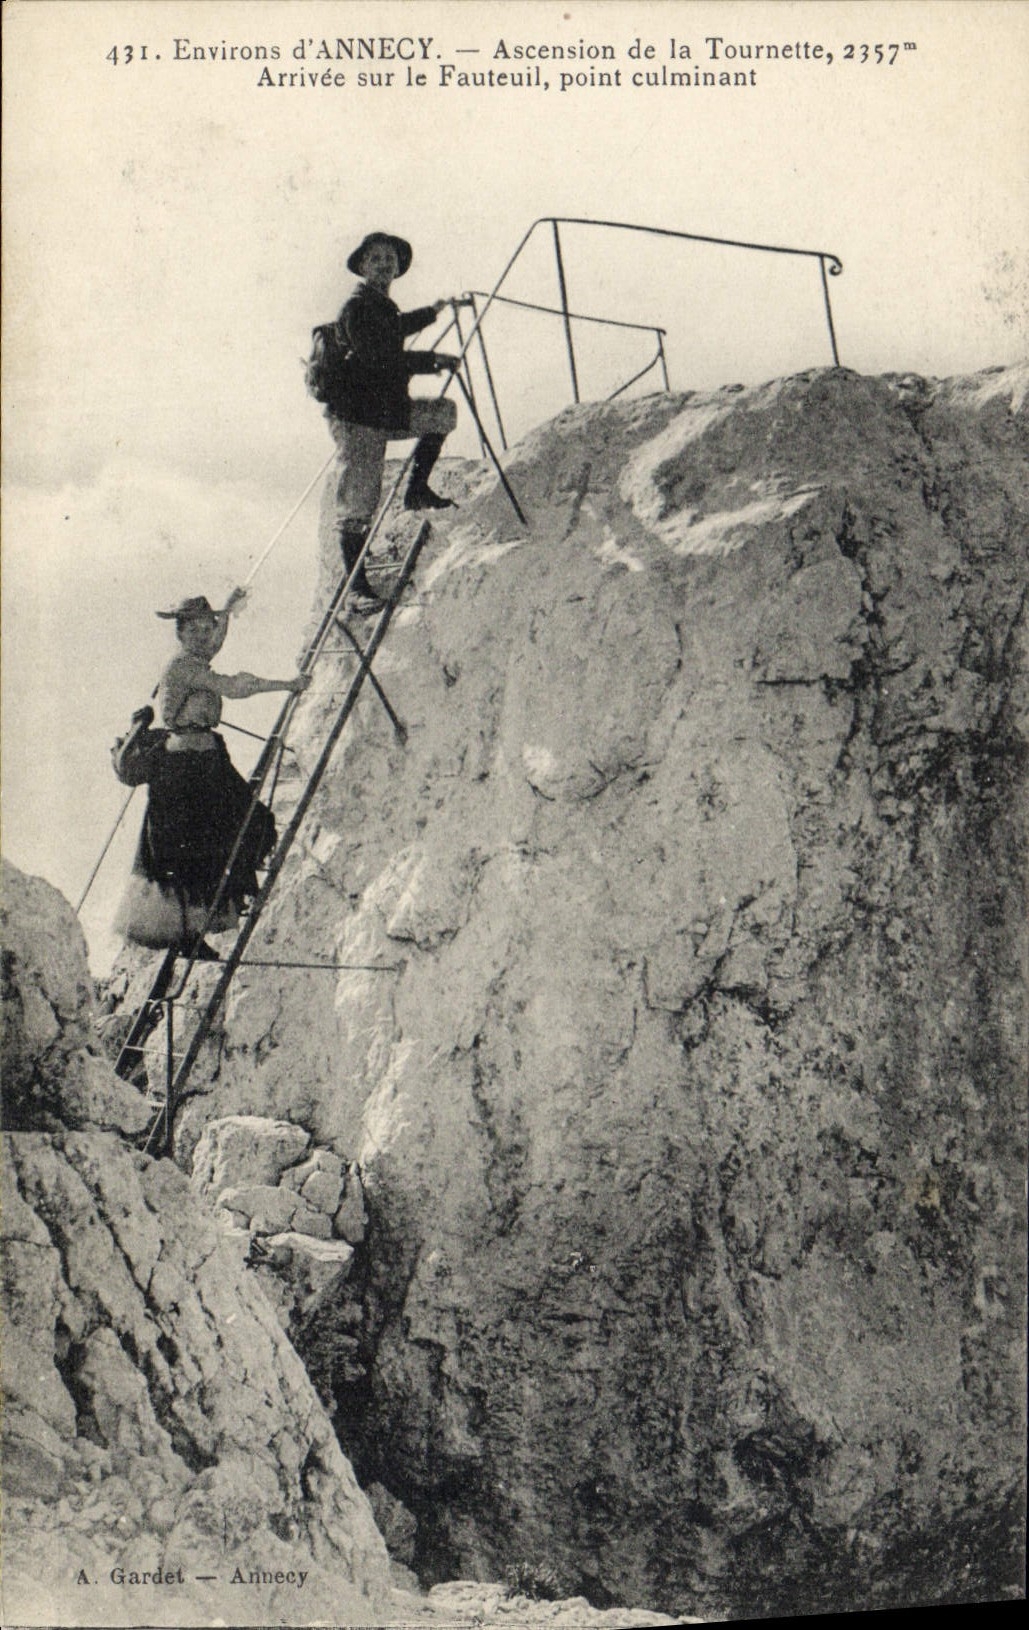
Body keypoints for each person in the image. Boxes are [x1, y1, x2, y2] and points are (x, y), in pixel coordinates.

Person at [114, 591, 310, 958]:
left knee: (249, 824)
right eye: (195, 629)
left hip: (207, 763)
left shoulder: (196, 658)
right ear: (181, 632)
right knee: (191, 857)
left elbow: (215, 644)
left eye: (208, 628)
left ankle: (217, 911)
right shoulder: (183, 667)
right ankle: (188, 938)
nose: (204, 635)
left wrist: (228, 612)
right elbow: (234, 687)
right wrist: (287, 685)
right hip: (182, 771)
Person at [323, 230, 471, 609]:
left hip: (385, 409)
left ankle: (416, 490)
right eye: (376, 258)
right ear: (362, 266)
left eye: (390, 258)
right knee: (360, 500)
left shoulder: (382, 306)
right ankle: (355, 590)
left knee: (442, 415)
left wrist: (435, 310)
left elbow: (397, 328)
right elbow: (378, 358)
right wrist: (432, 361)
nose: (385, 264)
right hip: (358, 417)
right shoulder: (357, 307)